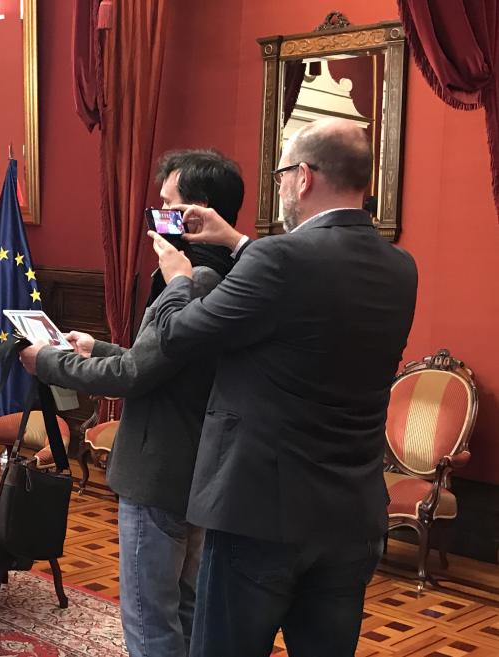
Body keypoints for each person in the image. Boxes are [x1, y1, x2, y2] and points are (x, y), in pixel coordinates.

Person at [149, 118, 418, 657]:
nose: (279, 187)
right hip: (350, 516)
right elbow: (304, 289)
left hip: (258, 516)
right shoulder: (400, 266)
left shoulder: (281, 259)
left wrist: (179, 277)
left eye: (280, 175)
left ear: (303, 177)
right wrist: (237, 240)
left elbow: (177, 336)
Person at [20, 149, 245, 657]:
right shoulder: (231, 275)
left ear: (197, 212)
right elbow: (163, 365)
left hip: (160, 469)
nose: (155, 219)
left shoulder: (194, 282)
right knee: (185, 608)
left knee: (150, 619)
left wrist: (47, 362)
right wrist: (95, 348)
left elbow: (134, 376)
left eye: (166, 205)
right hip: (196, 469)